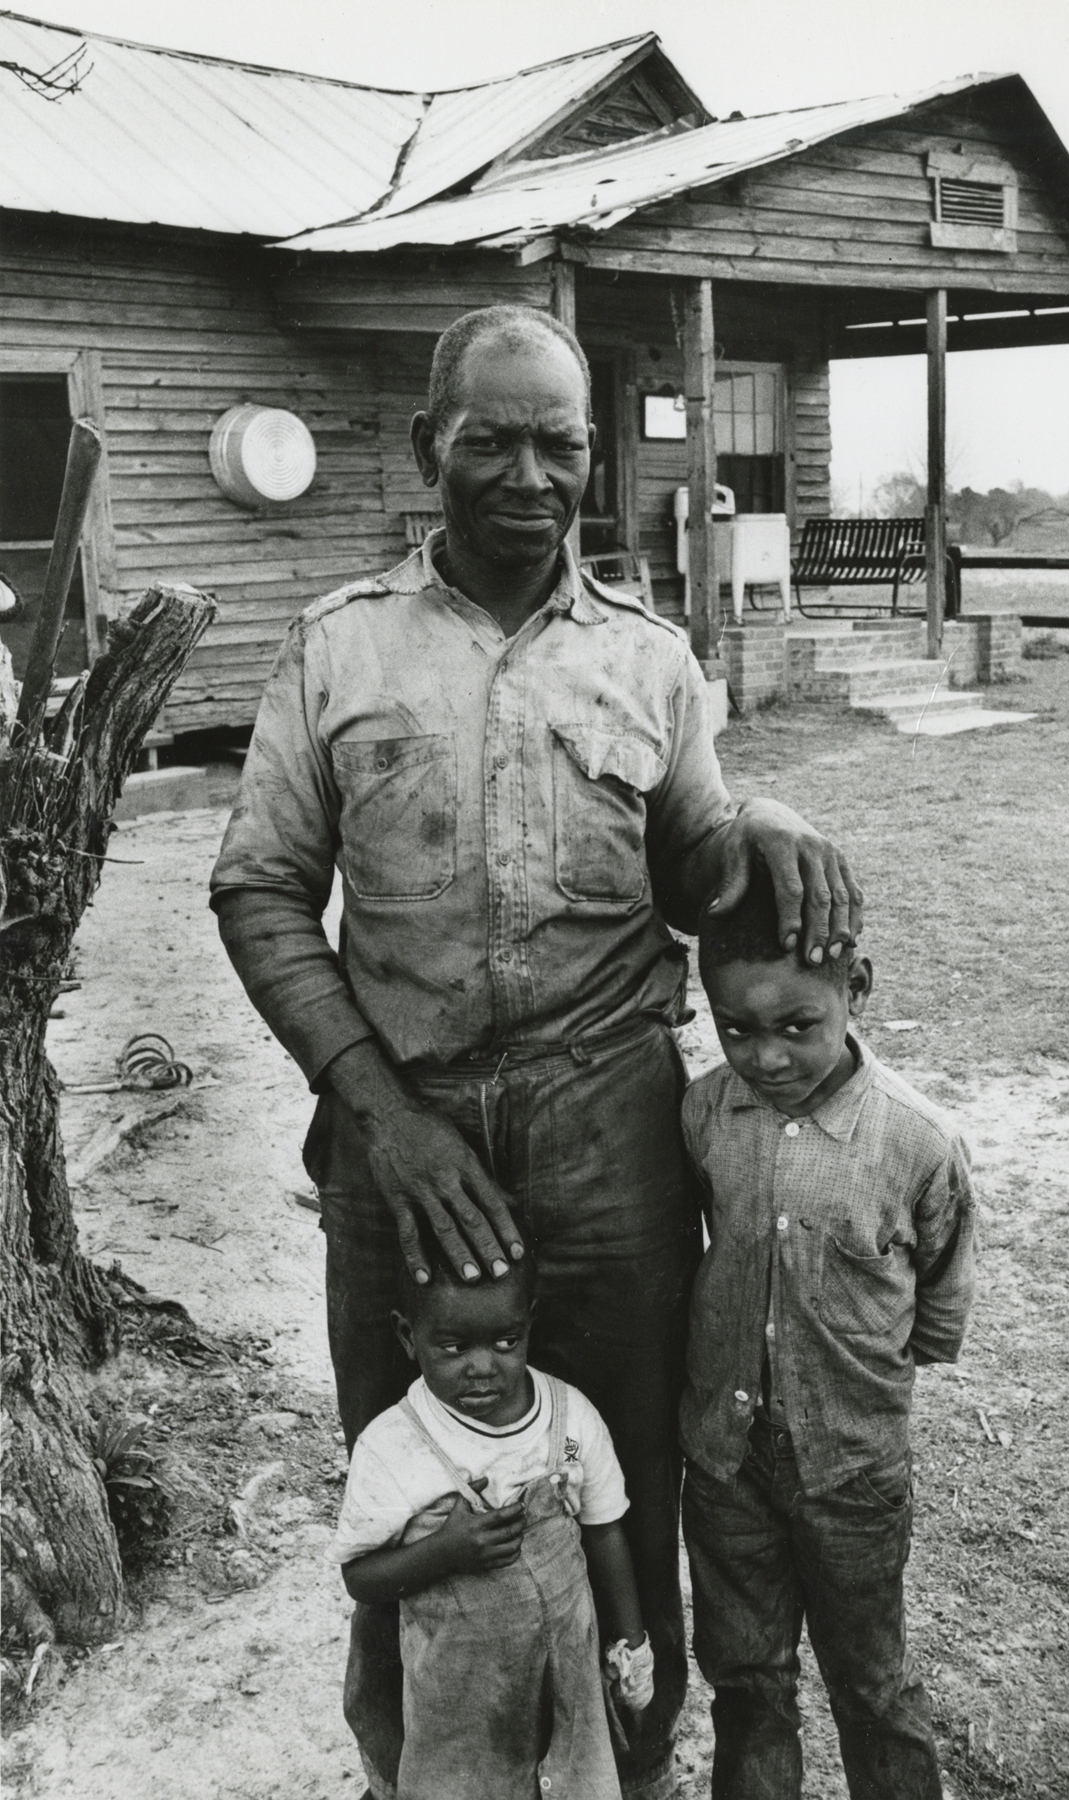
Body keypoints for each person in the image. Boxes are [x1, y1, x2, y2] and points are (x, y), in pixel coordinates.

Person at [209, 302, 862, 1800]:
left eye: (556, 444)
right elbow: (257, 887)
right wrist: (380, 1112)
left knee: (620, 1475)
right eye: (489, 440)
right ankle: (416, 1769)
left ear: (590, 459)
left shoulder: (648, 662)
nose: (525, 473)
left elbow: (694, 871)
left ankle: (619, 1761)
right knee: (409, 1478)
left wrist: (754, 819)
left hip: (606, 1137)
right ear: (431, 444)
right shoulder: (336, 648)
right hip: (399, 1139)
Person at [679, 871, 976, 1800]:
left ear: (857, 989)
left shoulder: (916, 1141)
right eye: (735, 1029)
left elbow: (938, 1296)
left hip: (851, 1470)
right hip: (724, 1466)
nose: (763, 1056)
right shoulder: (702, 1114)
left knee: (870, 1683)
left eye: (795, 1026)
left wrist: (858, 1378)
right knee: (746, 1682)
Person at [332, 1226, 653, 1800]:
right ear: (409, 1337)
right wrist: (444, 1551)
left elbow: (604, 1533)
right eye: (453, 1347)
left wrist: (631, 1646)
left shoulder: (569, 1420)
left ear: (529, 1325)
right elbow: (360, 1578)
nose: (482, 1367)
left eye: (505, 1342)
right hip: (459, 1702)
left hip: (567, 1682)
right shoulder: (395, 1445)